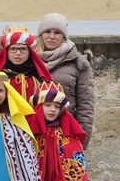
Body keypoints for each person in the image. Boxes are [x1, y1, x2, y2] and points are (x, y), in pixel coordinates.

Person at [35, 13, 95, 147]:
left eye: (57, 32)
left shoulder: (78, 63)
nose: (51, 36)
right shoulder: (30, 60)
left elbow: (85, 104)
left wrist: (82, 138)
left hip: (66, 133)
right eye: (47, 32)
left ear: (63, 36)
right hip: (35, 133)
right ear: (41, 34)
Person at [0, 25, 53, 101]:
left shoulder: (39, 76)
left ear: (30, 52)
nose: (18, 53)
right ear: (6, 52)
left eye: (23, 49)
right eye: (13, 49)